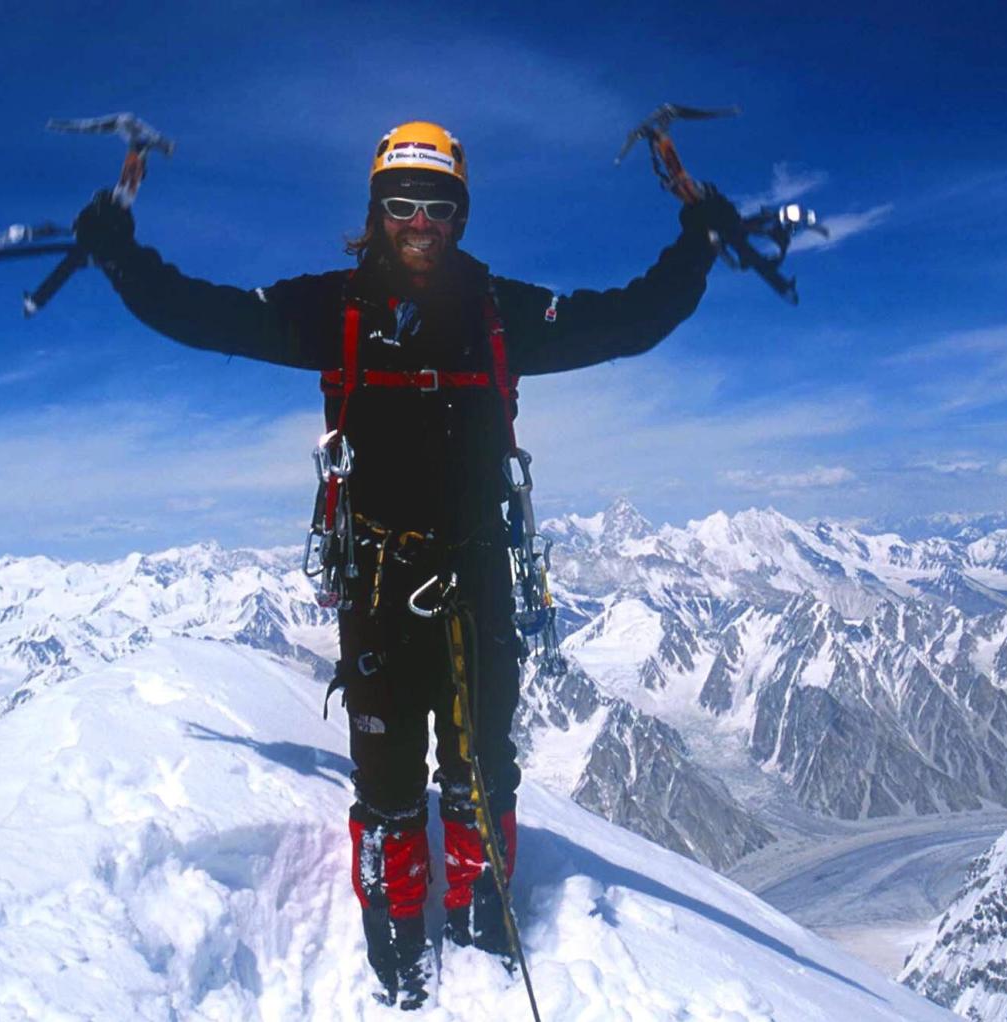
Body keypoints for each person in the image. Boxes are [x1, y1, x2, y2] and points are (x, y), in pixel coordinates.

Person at [76, 120, 740, 1008]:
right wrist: (121, 256)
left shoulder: (501, 310)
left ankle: (479, 924)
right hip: (380, 590)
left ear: (459, 216)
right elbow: (205, 313)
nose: (418, 222)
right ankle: (401, 950)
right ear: (377, 212)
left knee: (481, 775)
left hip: (478, 585)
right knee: (388, 791)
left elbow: (625, 321)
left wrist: (695, 244)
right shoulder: (334, 307)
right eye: (401, 205)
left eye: (435, 205)